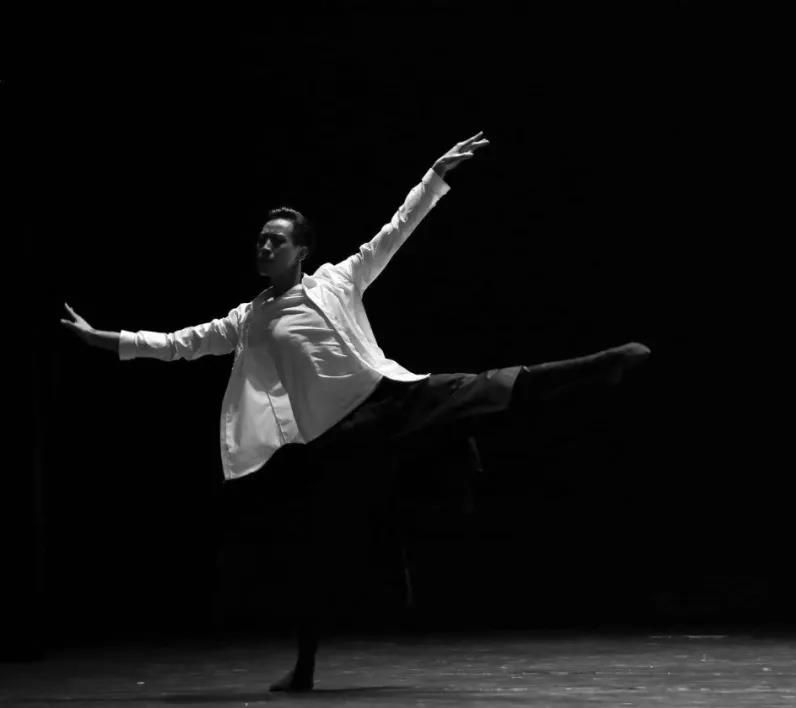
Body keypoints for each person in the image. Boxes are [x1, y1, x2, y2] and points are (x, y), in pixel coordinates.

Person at [60, 131, 651, 691]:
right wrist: (107, 339)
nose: (264, 247)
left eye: (276, 240)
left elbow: (395, 231)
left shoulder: (339, 280)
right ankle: (305, 668)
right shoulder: (248, 319)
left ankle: (600, 365)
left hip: (394, 398)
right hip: (342, 436)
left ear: (301, 251)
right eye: (261, 239)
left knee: (481, 388)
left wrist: (435, 176)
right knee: (318, 546)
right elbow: (179, 343)